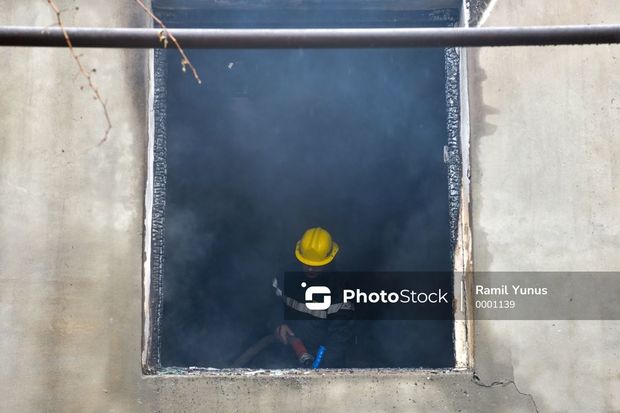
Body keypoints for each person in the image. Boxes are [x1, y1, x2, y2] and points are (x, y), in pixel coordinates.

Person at [272, 227, 354, 368]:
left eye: (316, 265)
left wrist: (322, 369)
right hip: (288, 354)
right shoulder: (285, 276)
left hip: (327, 359)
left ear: (329, 260)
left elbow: (340, 334)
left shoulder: (340, 288)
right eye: (306, 264)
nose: (310, 269)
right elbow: (273, 305)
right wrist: (278, 323)